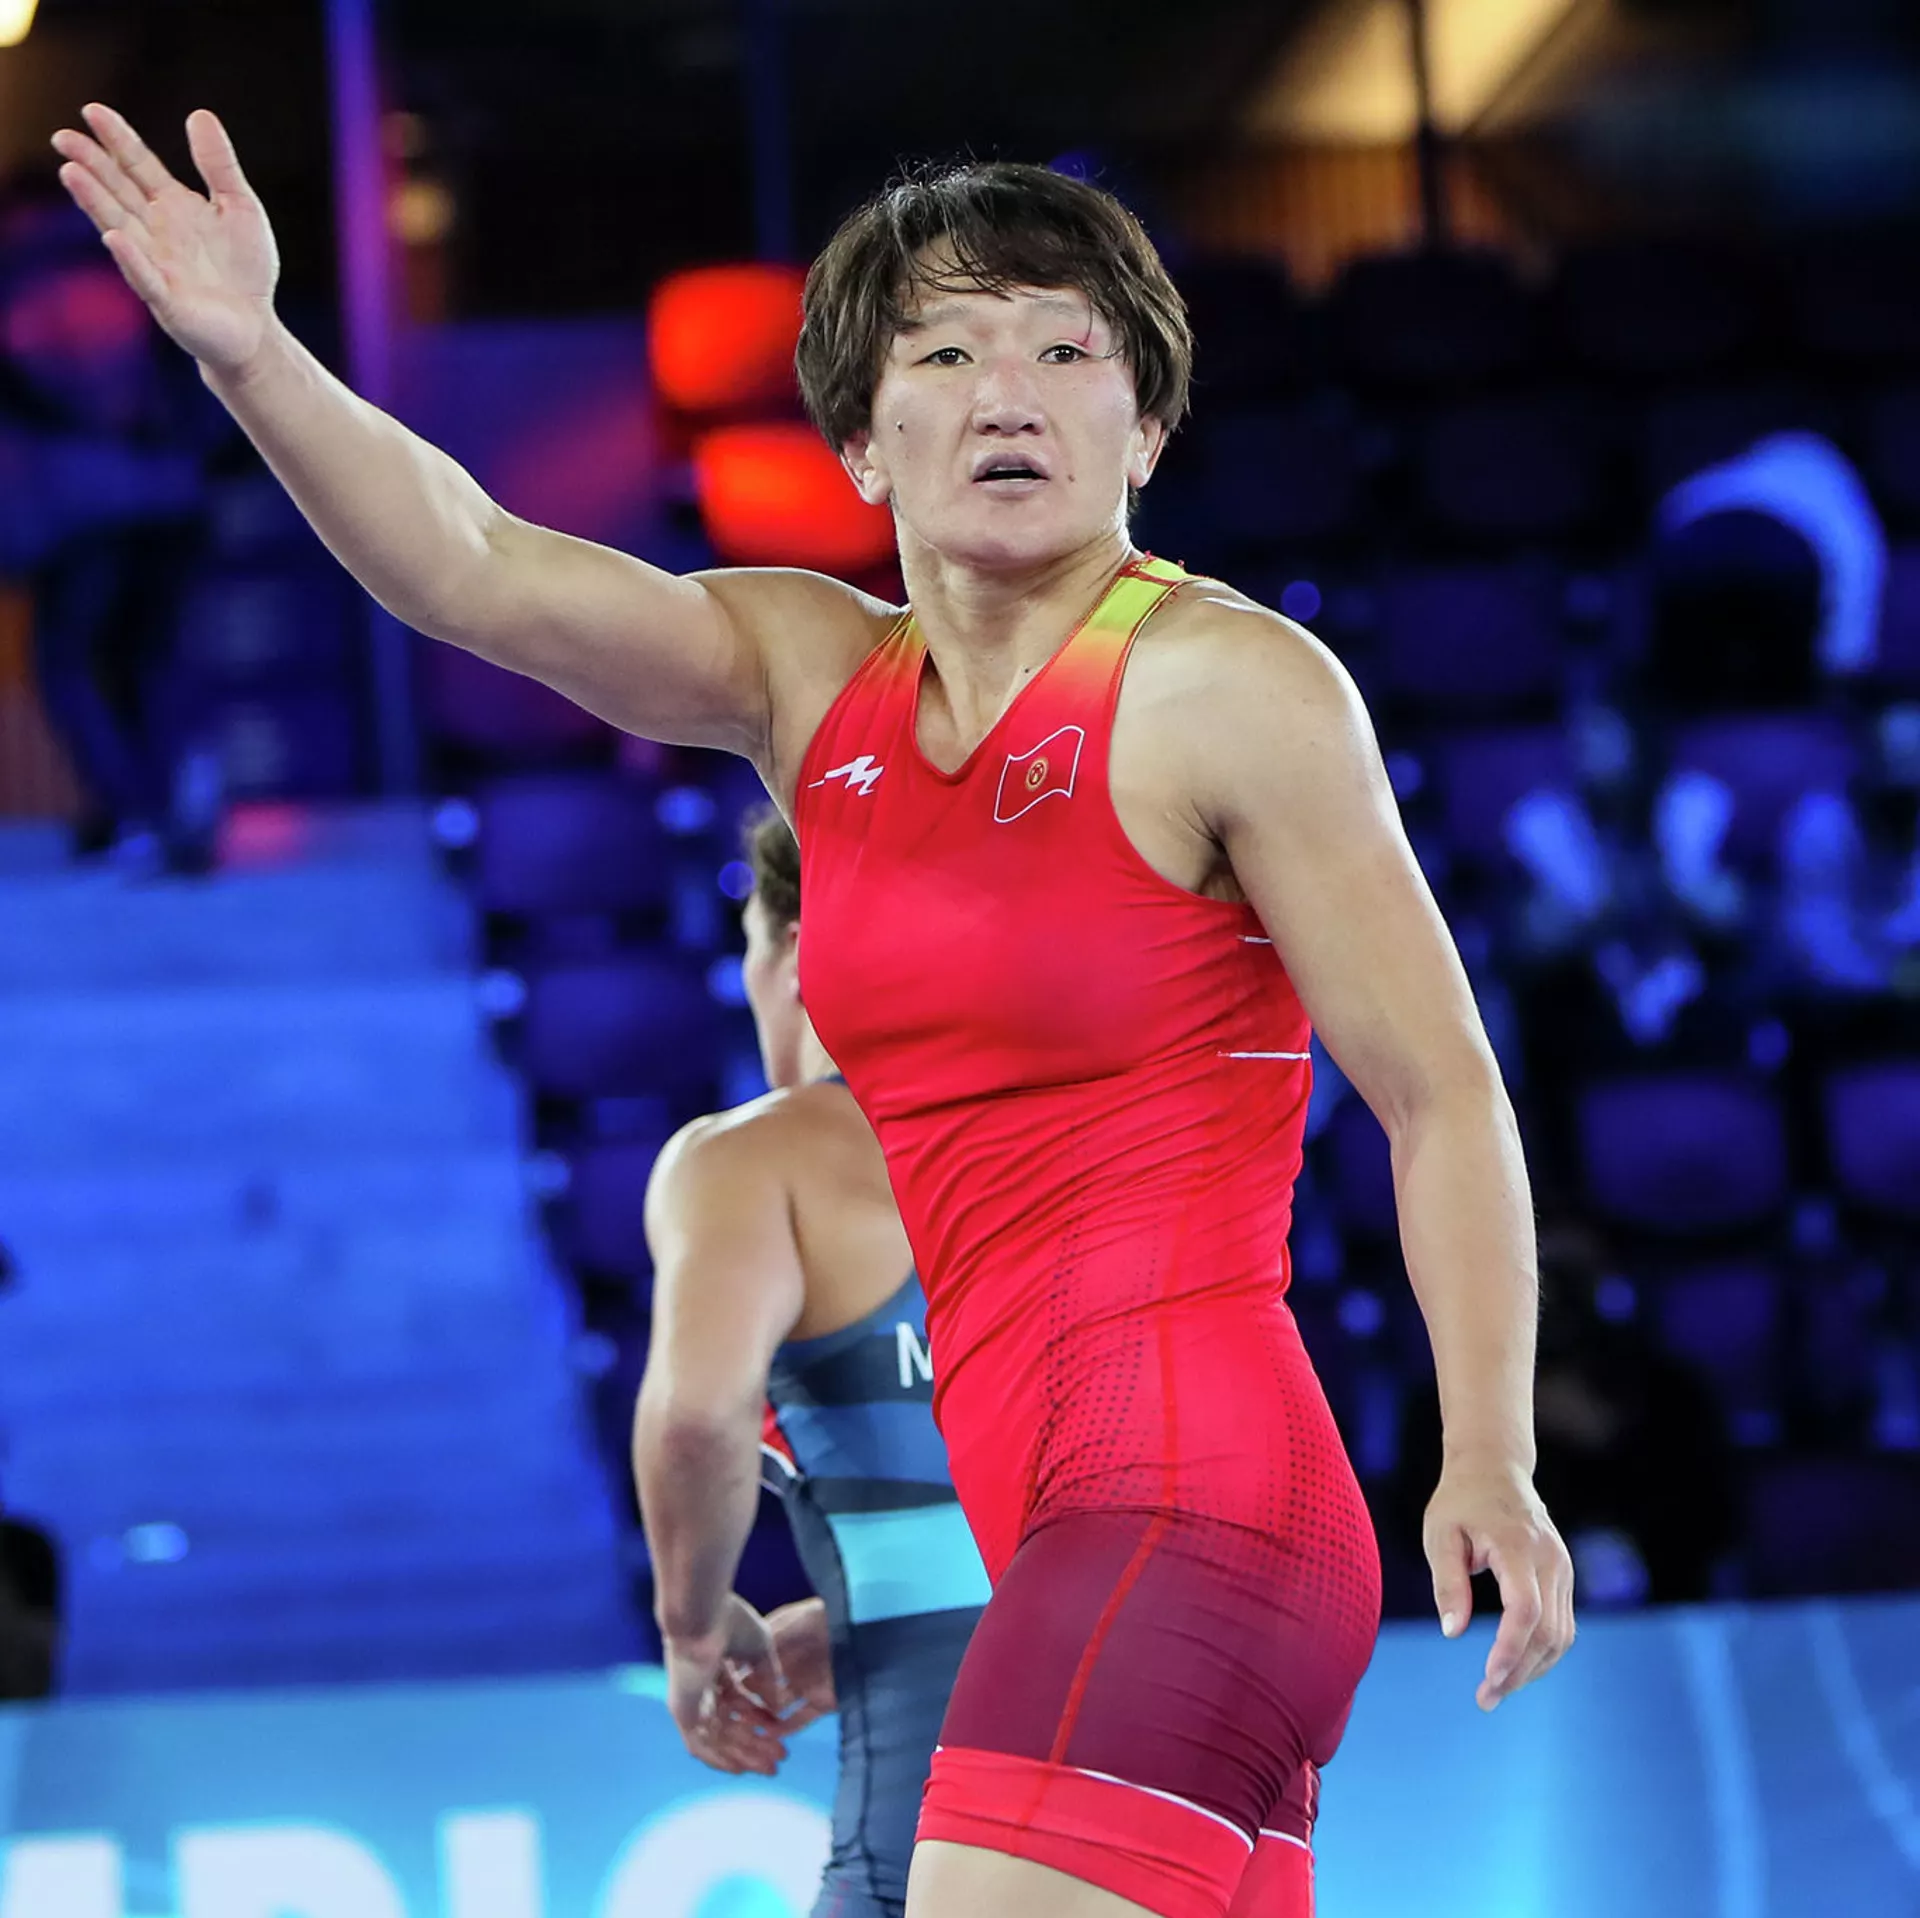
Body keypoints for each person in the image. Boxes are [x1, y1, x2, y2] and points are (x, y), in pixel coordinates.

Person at [54, 106, 1575, 1918]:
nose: (1009, 392)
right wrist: (252, 351)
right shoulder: (810, 675)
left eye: (1066, 350)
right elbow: (471, 567)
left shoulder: (1230, 686)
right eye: (947, 352)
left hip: (1199, 1500)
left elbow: (1441, 1090)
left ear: (1147, 426)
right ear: (861, 436)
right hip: (1059, 1525)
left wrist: (1491, 1448)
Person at [633, 807, 988, 1917]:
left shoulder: (751, 1162)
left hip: (943, 1811)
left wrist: (693, 1627)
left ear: (794, 949)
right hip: (1195, 1762)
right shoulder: (1083, 1143)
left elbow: (697, 1420)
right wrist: (872, 1612)